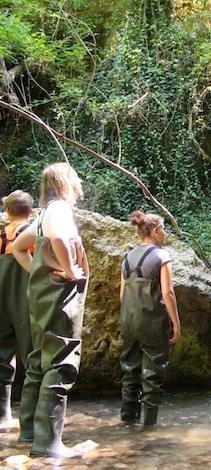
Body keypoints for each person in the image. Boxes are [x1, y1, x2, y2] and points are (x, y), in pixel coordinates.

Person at [12, 163, 88, 459]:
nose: (79, 180)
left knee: (38, 361)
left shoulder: (44, 213)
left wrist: (38, 274)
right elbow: (57, 237)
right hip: (60, 299)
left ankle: (29, 432)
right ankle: (47, 444)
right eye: (75, 176)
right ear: (64, 182)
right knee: (61, 363)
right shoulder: (59, 210)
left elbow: (19, 248)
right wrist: (69, 271)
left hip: (42, 297)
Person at [119, 210, 180, 427]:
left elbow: (122, 295)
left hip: (129, 321)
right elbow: (168, 293)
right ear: (155, 231)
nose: (165, 234)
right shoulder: (162, 256)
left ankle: (127, 421)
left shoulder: (127, 259)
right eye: (163, 230)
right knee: (153, 372)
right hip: (152, 322)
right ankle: (149, 426)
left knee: (130, 370)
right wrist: (176, 323)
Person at [0, 190, 38, 440]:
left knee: (1, 356)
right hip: (25, 303)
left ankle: (4, 416)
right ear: (31, 212)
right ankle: (30, 427)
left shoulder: (1, 235)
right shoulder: (32, 235)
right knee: (33, 359)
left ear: (8, 212)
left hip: (1, 301)